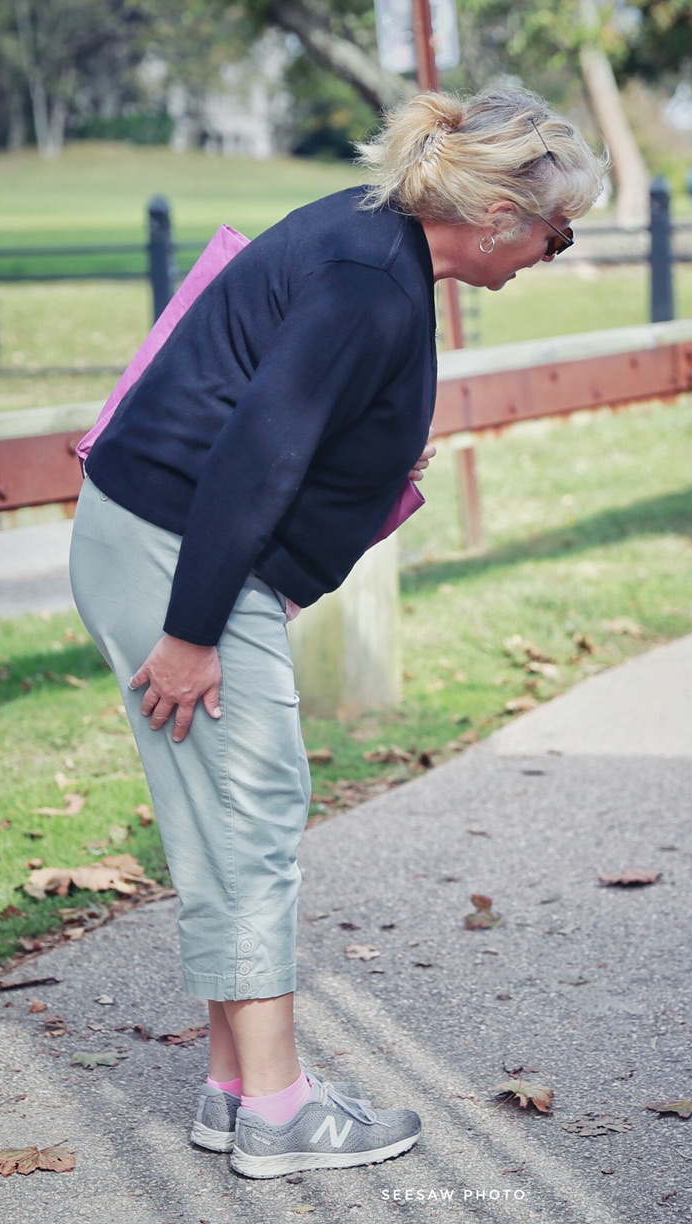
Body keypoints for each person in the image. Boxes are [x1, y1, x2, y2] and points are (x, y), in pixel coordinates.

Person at [68, 85, 601, 1179]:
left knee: (223, 819)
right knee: (256, 811)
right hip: (180, 550)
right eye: (559, 230)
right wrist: (191, 630)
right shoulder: (371, 282)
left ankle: (235, 1086)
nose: (559, 249)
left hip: (167, 540)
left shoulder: (383, 250)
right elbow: (257, 451)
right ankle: (277, 1109)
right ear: (499, 213)